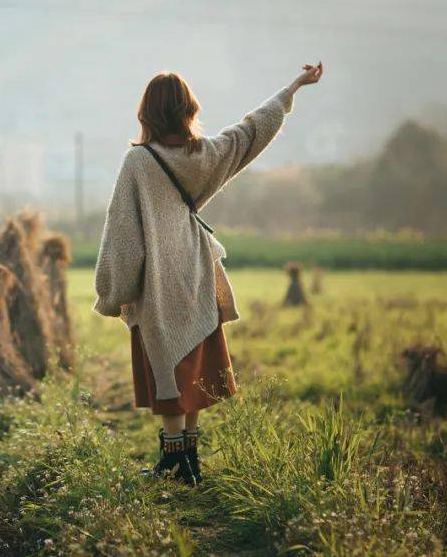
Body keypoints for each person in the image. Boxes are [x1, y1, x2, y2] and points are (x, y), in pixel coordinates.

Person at [93, 62, 324, 485]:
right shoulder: (206, 155)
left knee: (166, 365)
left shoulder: (138, 162)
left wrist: (112, 293)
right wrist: (293, 87)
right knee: (193, 362)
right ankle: (190, 459)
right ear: (188, 109)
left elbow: (123, 233)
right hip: (199, 269)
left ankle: (174, 460)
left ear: (147, 113)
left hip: (159, 277)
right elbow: (252, 130)